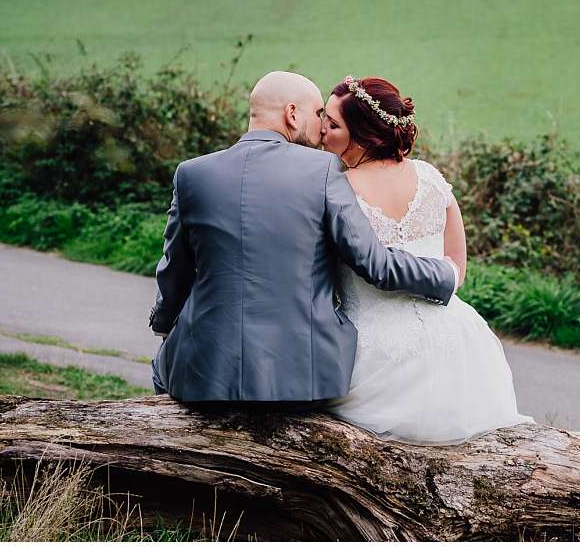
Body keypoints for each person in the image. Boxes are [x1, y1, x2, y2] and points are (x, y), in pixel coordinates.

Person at [149, 70, 458, 405]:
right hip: (303, 378)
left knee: (161, 366)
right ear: (291, 114)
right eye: (317, 113)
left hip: (205, 373)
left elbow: (174, 272)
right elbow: (373, 262)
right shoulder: (323, 171)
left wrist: (164, 325)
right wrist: (445, 273)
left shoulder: (192, 174)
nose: (321, 126)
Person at [321, 74, 533, 443]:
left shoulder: (336, 190)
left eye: (332, 123)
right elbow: (457, 267)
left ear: (362, 134)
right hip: (459, 345)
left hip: (377, 356)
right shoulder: (431, 178)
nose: (321, 129)